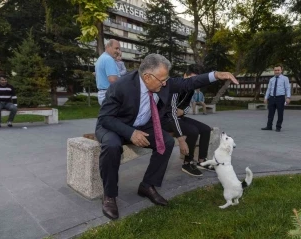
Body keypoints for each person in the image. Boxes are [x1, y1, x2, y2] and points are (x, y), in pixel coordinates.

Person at [95, 53, 239, 220]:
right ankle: (109, 196)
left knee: (166, 141)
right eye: (162, 80)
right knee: (112, 146)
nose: (165, 84)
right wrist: (130, 133)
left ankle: (147, 185)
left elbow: (188, 83)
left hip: (141, 125)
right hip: (114, 125)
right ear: (147, 76)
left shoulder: (162, 83)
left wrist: (216, 75)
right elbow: (105, 118)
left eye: (166, 80)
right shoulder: (121, 86)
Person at [161, 64, 213, 177]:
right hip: (166, 120)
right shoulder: (175, 86)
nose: (194, 82)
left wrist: (183, 112)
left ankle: (201, 160)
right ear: (185, 75)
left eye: (197, 80)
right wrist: (178, 112)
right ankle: (187, 163)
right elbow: (171, 113)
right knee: (192, 130)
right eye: (192, 79)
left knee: (205, 129)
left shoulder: (191, 89)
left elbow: (188, 105)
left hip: (178, 117)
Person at [261, 64, 291, 132]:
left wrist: (288, 97)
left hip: (280, 98)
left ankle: (278, 127)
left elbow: (287, 88)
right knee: (270, 113)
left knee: (280, 113)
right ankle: (269, 126)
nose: (277, 71)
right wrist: (266, 98)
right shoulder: (272, 79)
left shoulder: (285, 79)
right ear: (273, 71)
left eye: (278, 70)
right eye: (275, 70)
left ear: (281, 70)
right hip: (272, 98)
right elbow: (268, 89)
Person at [95, 39, 121, 105]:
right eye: (116, 48)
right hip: (110, 95)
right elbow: (113, 80)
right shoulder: (108, 59)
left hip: (103, 95)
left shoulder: (101, 58)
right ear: (108, 47)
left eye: (119, 49)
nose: (118, 51)